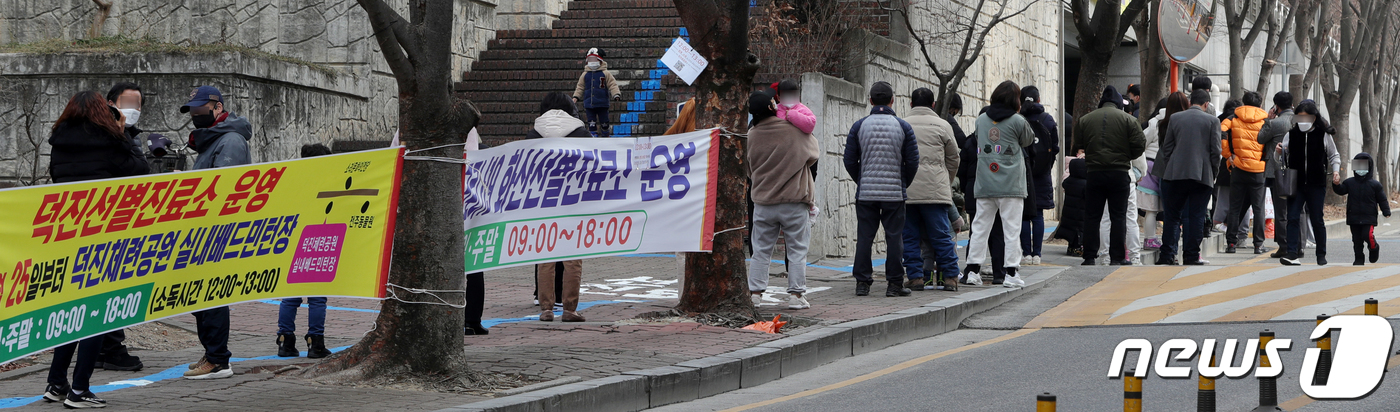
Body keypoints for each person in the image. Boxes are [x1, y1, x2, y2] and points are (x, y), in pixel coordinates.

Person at [41, 91, 151, 408]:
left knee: (70, 312)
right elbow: (139, 169)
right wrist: (125, 131)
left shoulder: (58, 142)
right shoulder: (110, 141)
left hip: (67, 237)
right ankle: (79, 390)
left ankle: (56, 383)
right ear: (103, 113)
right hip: (104, 237)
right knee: (96, 316)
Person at [181, 85, 251, 379]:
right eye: (193, 111)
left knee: (211, 296)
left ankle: (219, 359)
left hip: (216, 232)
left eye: (200, 110)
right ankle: (212, 353)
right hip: (203, 230)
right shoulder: (213, 139)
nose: (196, 115)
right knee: (200, 296)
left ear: (218, 108)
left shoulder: (230, 141)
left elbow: (224, 189)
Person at [83, 82, 149, 373]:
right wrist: (124, 137)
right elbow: (137, 170)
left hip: (97, 225)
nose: (132, 111)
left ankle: (96, 348)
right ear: (110, 104)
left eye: (137, 105)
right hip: (109, 224)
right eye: (127, 104)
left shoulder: (73, 137)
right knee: (110, 288)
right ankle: (111, 348)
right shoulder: (109, 136)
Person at [843, 81, 919, 297]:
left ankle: (862, 283)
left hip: (866, 192)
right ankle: (894, 285)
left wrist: (862, 179)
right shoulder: (903, 127)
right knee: (894, 238)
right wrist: (904, 182)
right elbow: (913, 162)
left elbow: (849, 160)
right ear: (892, 100)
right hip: (894, 193)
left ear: (870, 101)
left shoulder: (859, 126)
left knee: (865, 237)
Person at [747, 90, 820, 308]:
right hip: (794, 200)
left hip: (763, 201)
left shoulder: (751, 135)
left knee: (760, 251)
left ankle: (755, 294)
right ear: (772, 107)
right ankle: (796, 296)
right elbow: (813, 154)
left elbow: (748, 169)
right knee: (797, 249)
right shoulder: (794, 131)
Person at [963, 81, 1035, 287]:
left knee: (979, 228)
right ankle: (1011, 273)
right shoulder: (1018, 120)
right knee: (1011, 229)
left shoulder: (981, 120)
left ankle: (972, 271)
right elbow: (1027, 140)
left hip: (985, 183)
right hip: (1011, 185)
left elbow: (978, 139)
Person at [528, 92, 592, 320]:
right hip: (575, 201)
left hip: (542, 201)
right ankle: (570, 308)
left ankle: (546, 307)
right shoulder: (583, 135)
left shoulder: (533, 135)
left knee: (545, 255)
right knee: (572, 257)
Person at [1072, 85, 1147, 266]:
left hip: (1094, 172)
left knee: (1092, 215)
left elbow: (1079, 143)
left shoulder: (1086, 119)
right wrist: (1126, 155)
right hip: (1120, 173)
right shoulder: (1128, 120)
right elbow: (1140, 144)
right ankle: (1117, 256)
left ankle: (1089, 256)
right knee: (1118, 216)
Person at [274, 144, 336, 358]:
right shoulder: (328, 183)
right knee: (317, 297)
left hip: (292, 240)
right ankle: (315, 342)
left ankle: (284, 340)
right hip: (318, 240)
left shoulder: (291, 181)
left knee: (290, 295)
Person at [901, 87, 962, 291]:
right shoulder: (943, 125)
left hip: (908, 191)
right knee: (941, 235)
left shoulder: (902, 124)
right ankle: (951, 278)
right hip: (935, 191)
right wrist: (945, 180)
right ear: (933, 104)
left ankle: (915, 277)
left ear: (910, 104)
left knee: (909, 237)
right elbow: (954, 158)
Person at [1153, 90, 1221, 265]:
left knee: (1172, 216)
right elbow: (1216, 152)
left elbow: (1166, 149)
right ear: (1206, 104)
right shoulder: (1213, 121)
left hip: (1175, 174)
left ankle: (1167, 255)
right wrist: (1213, 172)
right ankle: (1191, 255)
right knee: (1196, 216)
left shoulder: (1175, 118)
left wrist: (1171, 168)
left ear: (1191, 102)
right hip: (1202, 175)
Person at [1279, 100, 1342, 266]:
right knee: (1292, 217)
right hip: (1295, 183)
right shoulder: (1291, 134)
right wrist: (1279, 152)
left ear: (1314, 118)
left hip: (1316, 183)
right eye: (1299, 118)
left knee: (1317, 219)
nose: (1302, 122)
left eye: (1305, 118)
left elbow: (1334, 155)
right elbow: (1280, 159)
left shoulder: (1323, 135)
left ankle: (1321, 254)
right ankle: (1292, 253)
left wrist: (1336, 171)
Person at [1221, 91, 1271, 255]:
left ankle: (1231, 244)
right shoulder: (1265, 121)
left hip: (1238, 168)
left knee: (1235, 207)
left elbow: (1221, 132)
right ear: (1260, 104)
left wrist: (1228, 155)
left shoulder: (1233, 117)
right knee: (1258, 209)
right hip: (1258, 170)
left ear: (1244, 102)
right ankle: (1258, 245)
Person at [1018, 86, 1059, 266]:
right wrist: (1046, 166)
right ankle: (1037, 254)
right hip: (1042, 173)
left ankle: (1026, 254)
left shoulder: (1018, 119)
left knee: (1024, 215)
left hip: (1023, 172)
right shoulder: (1047, 120)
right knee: (1038, 214)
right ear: (1039, 99)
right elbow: (1055, 148)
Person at [1335, 153, 1391, 265]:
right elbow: (1341, 190)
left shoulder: (1375, 185)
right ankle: (1359, 258)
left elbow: (1382, 199)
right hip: (1353, 216)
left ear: (1369, 167)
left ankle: (1374, 247)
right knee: (1356, 240)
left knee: (1367, 235)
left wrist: (1386, 211)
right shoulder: (1349, 183)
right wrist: (1336, 184)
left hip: (1369, 217)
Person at [1259, 92, 1295, 258]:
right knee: (1297, 209)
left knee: (1281, 211)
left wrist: (1267, 119)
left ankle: (1284, 245)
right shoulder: (1299, 121)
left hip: (1278, 173)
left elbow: (1260, 138)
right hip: (1298, 172)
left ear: (1276, 106)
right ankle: (1298, 244)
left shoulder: (1275, 123)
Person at [1139, 98, 1169, 250]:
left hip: (1150, 165)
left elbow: (1141, 142)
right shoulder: (1176, 122)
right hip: (1167, 167)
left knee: (1151, 209)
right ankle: (1164, 240)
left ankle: (1149, 239)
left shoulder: (1154, 122)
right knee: (1169, 209)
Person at [572, 48, 621, 137]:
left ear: (600, 60)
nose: (592, 62)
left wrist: (616, 94)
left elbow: (612, 84)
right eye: (590, 60)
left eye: (594, 59)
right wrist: (576, 97)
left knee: (604, 122)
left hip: (602, 103)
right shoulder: (585, 74)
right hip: (589, 103)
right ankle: (593, 135)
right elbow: (580, 87)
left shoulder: (605, 73)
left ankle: (605, 134)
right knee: (591, 122)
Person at [1057, 158, 1089, 256]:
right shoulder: (1085, 184)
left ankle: (1071, 248)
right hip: (1081, 212)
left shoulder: (1068, 181)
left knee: (1071, 232)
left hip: (1069, 212)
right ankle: (1078, 249)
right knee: (1079, 231)